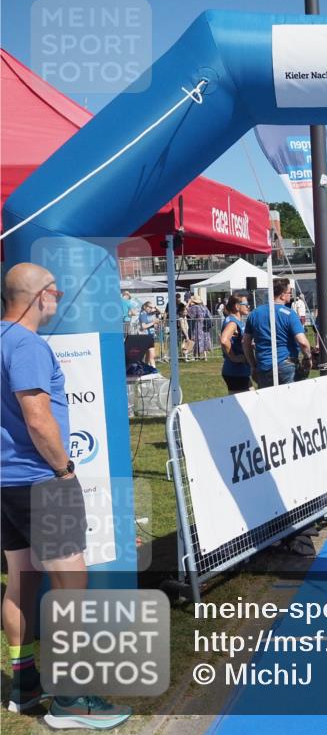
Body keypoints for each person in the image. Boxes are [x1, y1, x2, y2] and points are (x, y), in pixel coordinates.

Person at [1, 264, 132, 729]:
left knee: (21, 582)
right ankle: (71, 699)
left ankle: (25, 686)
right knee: (71, 587)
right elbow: (38, 418)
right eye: (55, 291)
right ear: (40, 295)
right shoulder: (27, 345)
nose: (57, 299)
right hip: (41, 479)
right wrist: (63, 469)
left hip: (7, 483)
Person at [243, 278, 311, 387]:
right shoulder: (290, 314)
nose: (291, 295)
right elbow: (303, 342)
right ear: (282, 295)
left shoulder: (254, 314)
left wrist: (253, 365)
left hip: (263, 366)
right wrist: (308, 357)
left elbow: (246, 343)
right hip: (286, 365)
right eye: (289, 292)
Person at [219, 294, 252, 393]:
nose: (248, 306)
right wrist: (234, 357)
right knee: (244, 400)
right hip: (235, 371)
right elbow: (224, 340)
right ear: (237, 306)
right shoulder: (232, 322)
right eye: (246, 304)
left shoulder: (235, 321)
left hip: (239, 370)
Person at [186, 295, 212, 360]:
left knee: (197, 339)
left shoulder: (195, 307)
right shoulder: (204, 307)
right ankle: (205, 356)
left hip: (198, 326)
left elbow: (188, 312)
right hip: (205, 326)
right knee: (204, 339)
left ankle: (196, 356)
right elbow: (209, 315)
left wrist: (188, 303)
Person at [137, 301, 159, 368]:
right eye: (150, 307)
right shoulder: (143, 314)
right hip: (145, 336)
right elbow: (143, 326)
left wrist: (155, 325)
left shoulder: (147, 314)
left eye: (152, 307)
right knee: (152, 355)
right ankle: (154, 369)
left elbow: (151, 325)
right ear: (145, 307)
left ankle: (146, 369)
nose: (151, 309)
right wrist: (153, 323)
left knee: (148, 355)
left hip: (149, 336)